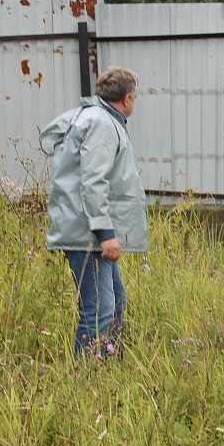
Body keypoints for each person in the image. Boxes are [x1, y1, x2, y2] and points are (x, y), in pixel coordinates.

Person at [40, 66, 148, 358]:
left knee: (116, 302)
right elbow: (92, 181)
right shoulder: (101, 123)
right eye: (135, 97)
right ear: (127, 99)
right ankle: (85, 382)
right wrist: (105, 233)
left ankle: (111, 367)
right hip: (89, 235)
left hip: (87, 231)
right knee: (98, 309)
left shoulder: (94, 118)